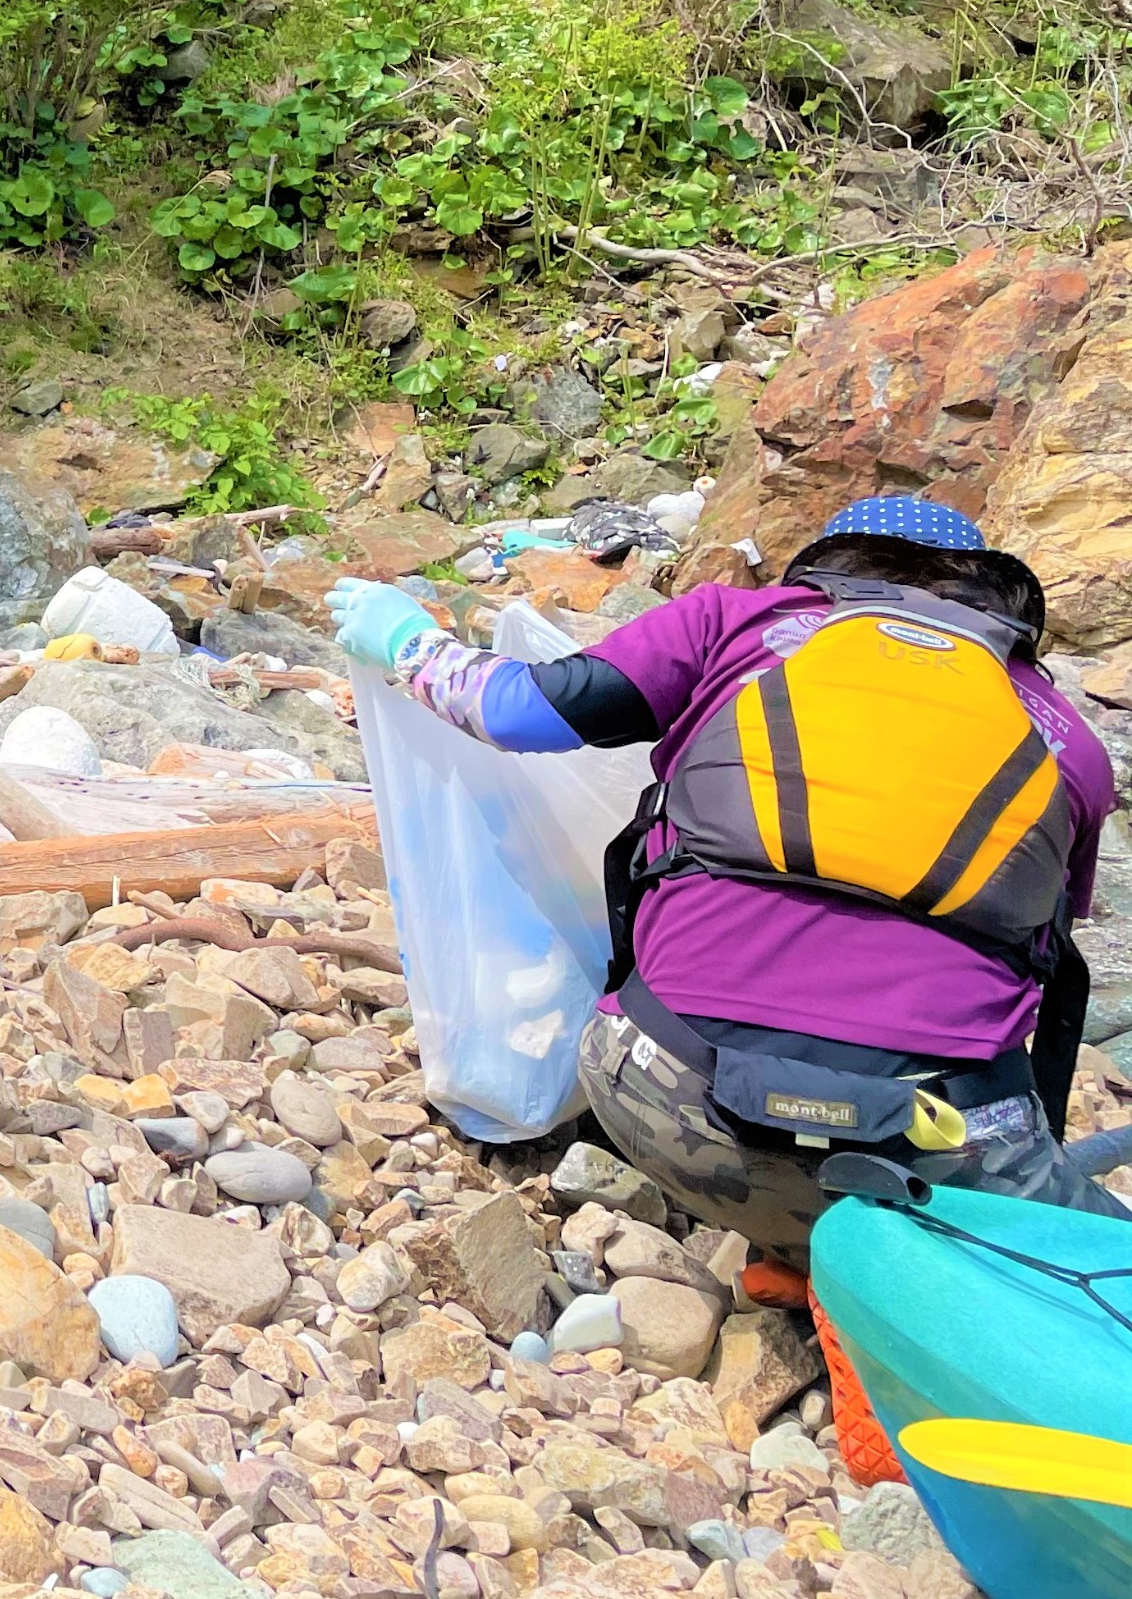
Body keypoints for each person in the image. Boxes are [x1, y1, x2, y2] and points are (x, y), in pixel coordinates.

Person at [331, 495, 1125, 1261]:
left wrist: (405, 640)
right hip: (937, 1149)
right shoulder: (1070, 742)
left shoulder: (739, 621)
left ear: (826, 568)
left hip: (671, 1105)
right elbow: (1040, 954)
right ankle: (879, 1249)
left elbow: (516, 711)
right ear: (991, 599)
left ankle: (797, 1239)